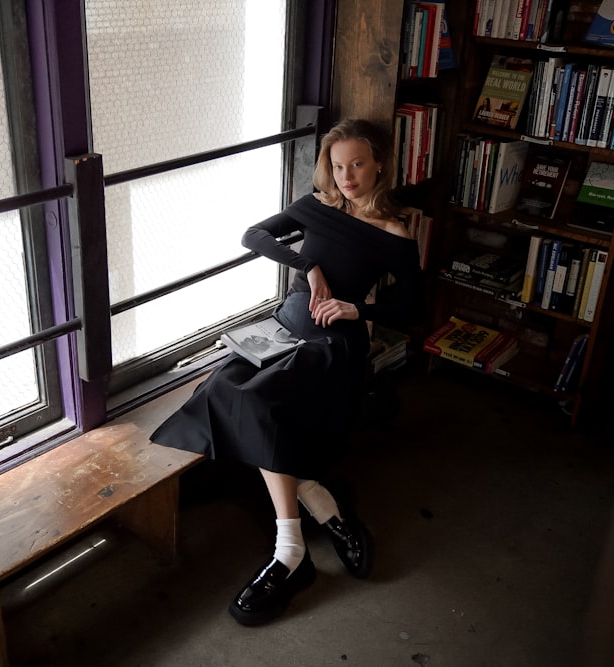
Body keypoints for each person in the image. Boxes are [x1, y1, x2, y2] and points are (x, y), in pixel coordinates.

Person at [149, 118, 424, 625]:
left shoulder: (393, 232)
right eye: (337, 166)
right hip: (283, 329)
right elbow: (253, 235)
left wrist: (356, 310)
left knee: (257, 402)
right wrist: (308, 267)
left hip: (333, 344)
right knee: (221, 387)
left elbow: (414, 311)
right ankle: (320, 500)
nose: (346, 175)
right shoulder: (317, 207)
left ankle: (289, 550)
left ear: (379, 163)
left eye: (357, 164)